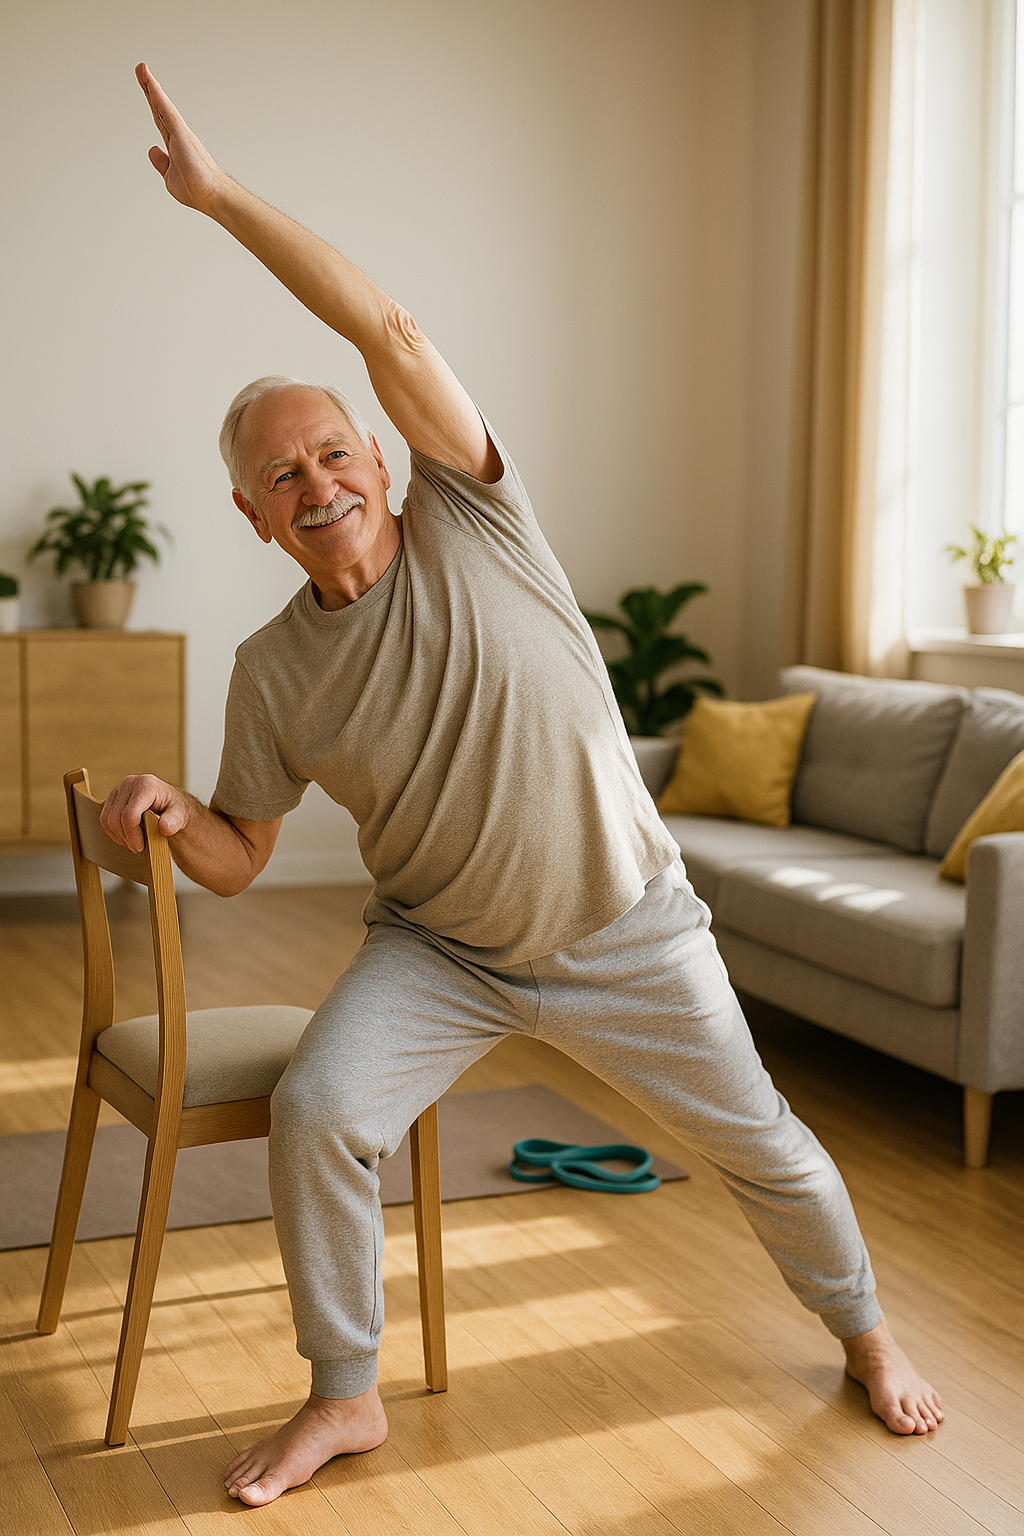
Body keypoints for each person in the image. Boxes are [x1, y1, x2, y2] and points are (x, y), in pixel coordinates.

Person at [100, 62, 944, 1508]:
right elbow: (246, 850)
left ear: (381, 453)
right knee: (319, 1112)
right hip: (442, 950)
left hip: (631, 929)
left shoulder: (475, 514)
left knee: (770, 1153)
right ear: (252, 514)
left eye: (332, 450)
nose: (317, 482)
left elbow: (385, 324)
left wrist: (222, 195)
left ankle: (864, 1333)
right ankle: (344, 1395)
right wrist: (177, 823)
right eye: (280, 476)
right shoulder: (267, 672)